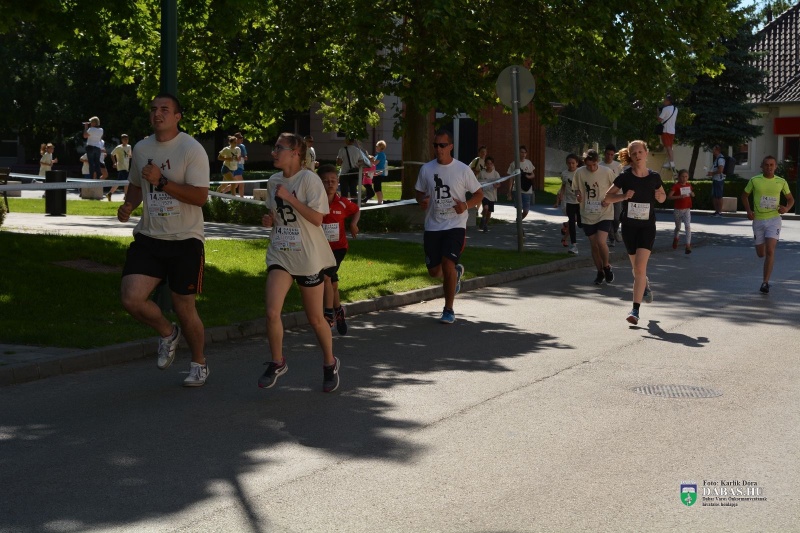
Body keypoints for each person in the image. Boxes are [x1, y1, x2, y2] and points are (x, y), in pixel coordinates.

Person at [116, 93, 211, 387]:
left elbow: (200, 196)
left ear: (177, 117)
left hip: (185, 239)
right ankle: (168, 333)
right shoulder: (142, 148)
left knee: (185, 307)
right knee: (131, 298)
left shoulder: (191, 149)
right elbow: (136, 184)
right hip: (150, 236)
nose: (157, 114)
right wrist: (129, 205)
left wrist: (161, 181)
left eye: (165, 110)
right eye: (154, 109)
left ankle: (199, 364)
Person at [258, 133, 340, 393]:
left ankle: (329, 363)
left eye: (279, 148)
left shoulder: (309, 180)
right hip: (281, 253)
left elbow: (317, 219)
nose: (274, 152)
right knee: (272, 312)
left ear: (295, 153)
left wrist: (291, 198)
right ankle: (277, 361)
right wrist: (269, 220)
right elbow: (277, 213)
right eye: (275, 147)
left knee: (315, 318)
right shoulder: (274, 181)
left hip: (307, 257)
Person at [415, 129, 484, 324]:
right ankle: (456, 273)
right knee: (434, 272)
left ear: (451, 147)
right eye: (435, 145)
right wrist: (421, 200)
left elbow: (479, 194)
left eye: (442, 145)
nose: (438, 149)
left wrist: (466, 205)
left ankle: (448, 309)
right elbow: (418, 192)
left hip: (455, 225)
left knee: (447, 264)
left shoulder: (462, 169)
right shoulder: (426, 169)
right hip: (433, 226)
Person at [604, 140, 666, 325]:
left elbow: (663, 196)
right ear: (630, 156)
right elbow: (607, 197)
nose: (637, 155)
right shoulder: (625, 177)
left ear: (646, 153)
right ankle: (644, 283)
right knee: (637, 269)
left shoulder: (654, 177)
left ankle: (635, 311)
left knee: (639, 268)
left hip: (647, 227)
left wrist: (660, 197)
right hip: (629, 227)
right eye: (634, 153)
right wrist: (623, 196)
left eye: (640, 152)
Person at [740, 155, 795, 294]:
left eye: (772, 165)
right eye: (766, 165)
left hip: (774, 219)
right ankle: (762, 243)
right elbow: (744, 196)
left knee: (770, 251)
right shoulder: (755, 180)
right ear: (762, 166)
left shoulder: (781, 181)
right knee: (761, 254)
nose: (769, 167)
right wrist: (748, 211)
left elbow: (790, 199)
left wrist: (786, 208)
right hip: (758, 220)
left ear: (775, 167)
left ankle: (765, 282)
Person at [318, 164, 360, 335]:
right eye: (325, 181)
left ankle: (328, 314)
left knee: (326, 278)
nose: (330, 184)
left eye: (333, 181)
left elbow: (356, 210)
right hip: (320, 248)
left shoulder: (342, 202)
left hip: (338, 249)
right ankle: (339, 311)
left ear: (338, 182)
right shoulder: (314, 202)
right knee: (333, 284)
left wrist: (353, 224)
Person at [573, 149, 616, 284]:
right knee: (594, 245)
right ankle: (599, 271)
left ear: (598, 161)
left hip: (604, 212)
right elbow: (576, 188)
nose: (591, 168)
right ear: (584, 163)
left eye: (594, 165)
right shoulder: (579, 172)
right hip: (587, 213)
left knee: (601, 241)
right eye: (588, 165)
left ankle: (606, 266)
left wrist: (609, 200)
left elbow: (616, 189)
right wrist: (578, 195)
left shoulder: (607, 172)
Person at [557, 153, 581, 254]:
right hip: (569, 201)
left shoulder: (581, 172)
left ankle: (566, 225)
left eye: (573, 163)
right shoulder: (564, 174)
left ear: (577, 163)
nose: (571, 165)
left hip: (580, 202)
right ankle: (574, 245)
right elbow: (563, 186)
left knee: (580, 223)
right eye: (569, 163)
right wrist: (561, 195)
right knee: (572, 222)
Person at [600, 144, 623, 246]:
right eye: (608, 154)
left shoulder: (618, 166)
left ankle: (616, 230)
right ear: (604, 153)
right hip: (605, 195)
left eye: (611, 155)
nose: (609, 156)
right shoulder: (600, 165)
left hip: (617, 195)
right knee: (608, 218)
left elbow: (622, 180)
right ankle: (611, 239)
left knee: (616, 217)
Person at [667, 169, 695, 254]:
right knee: (678, 227)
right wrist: (679, 196)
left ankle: (688, 246)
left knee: (687, 226)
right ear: (679, 177)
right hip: (678, 210)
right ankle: (676, 238)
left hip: (687, 209)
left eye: (686, 176)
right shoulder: (676, 186)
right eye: (682, 176)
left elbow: (692, 194)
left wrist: (692, 194)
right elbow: (669, 197)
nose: (684, 178)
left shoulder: (688, 185)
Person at [506, 145, 535, 220]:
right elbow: (511, 178)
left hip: (527, 190)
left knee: (526, 211)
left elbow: (533, 175)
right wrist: (509, 192)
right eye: (521, 152)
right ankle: (519, 224)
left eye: (525, 152)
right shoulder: (514, 164)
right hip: (517, 190)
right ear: (518, 153)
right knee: (519, 208)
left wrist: (527, 176)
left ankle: (519, 221)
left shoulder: (528, 163)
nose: (523, 154)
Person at [478, 156, 501, 232]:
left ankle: (485, 224)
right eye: (487, 163)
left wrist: (496, 185)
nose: (489, 165)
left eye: (490, 163)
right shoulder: (482, 173)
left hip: (492, 195)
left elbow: (499, 183)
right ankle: (483, 219)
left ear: (493, 164)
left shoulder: (495, 174)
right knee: (485, 208)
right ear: (485, 164)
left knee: (489, 212)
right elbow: (478, 182)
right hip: (484, 194)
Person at [109, 134, 132, 201]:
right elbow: (112, 154)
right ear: (122, 140)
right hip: (121, 167)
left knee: (119, 182)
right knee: (126, 182)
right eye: (125, 139)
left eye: (127, 139)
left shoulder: (129, 146)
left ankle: (110, 193)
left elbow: (130, 155)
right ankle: (126, 196)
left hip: (126, 167)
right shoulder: (119, 147)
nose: (126, 140)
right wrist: (114, 162)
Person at [657, 95, 678, 169]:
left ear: (669, 101)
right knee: (670, 147)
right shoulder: (675, 109)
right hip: (672, 130)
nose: (664, 102)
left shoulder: (665, 109)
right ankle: (670, 162)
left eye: (665, 100)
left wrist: (658, 112)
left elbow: (659, 119)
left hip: (666, 130)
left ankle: (671, 163)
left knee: (668, 147)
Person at [83, 116, 104, 180]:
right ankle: (98, 177)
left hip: (90, 147)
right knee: (97, 163)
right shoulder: (101, 130)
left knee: (91, 163)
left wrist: (86, 127)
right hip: (98, 148)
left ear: (94, 123)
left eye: (91, 122)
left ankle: (91, 178)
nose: (90, 123)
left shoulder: (91, 129)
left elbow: (85, 136)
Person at [707, 144, 726, 217]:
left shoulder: (720, 159)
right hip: (715, 179)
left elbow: (720, 170)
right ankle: (717, 211)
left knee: (719, 196)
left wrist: (712, 173)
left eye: (714, 150)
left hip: (719, 180)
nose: (713, 151)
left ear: (717, 150)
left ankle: (719, 212)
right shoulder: (717, 158)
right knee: (715, 196)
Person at [234, 132, 248, 197]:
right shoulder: (232, 147)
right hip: (235, 167)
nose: (241, 139)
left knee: (235, 185)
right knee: (242, 184)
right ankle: (241, 200)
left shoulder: (242, 146)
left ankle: (220, 192)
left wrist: (244, 157)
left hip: (240, 167)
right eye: (240, 138)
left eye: (242, 137)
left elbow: (246, 157)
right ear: (236, 139)